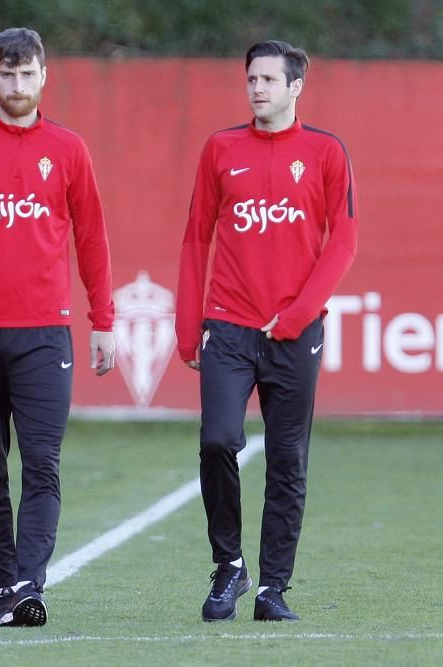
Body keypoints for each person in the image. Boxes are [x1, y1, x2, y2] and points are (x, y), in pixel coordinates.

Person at [0, 27, 116, 627]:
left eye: (26, 73)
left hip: (45, 333)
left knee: (42, 463)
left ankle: (29, 583)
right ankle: (7, 581)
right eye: (6, 74)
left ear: (44, 76)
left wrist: (103, 321)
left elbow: (92, 238)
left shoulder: (68, 149)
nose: (16, 84)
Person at [176, 40, 358, 622]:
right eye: (251, 78)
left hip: (295, 334)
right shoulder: (220, 148)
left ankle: (273, 587)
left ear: (296, 86)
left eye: (269, 80)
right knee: (217, 440)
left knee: (287, 461)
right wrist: (188, 328)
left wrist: (302, 312)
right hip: (228, 326)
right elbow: (195, 238)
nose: (257, 88)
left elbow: (344, 242)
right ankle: (229, 565)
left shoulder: (326, 151)